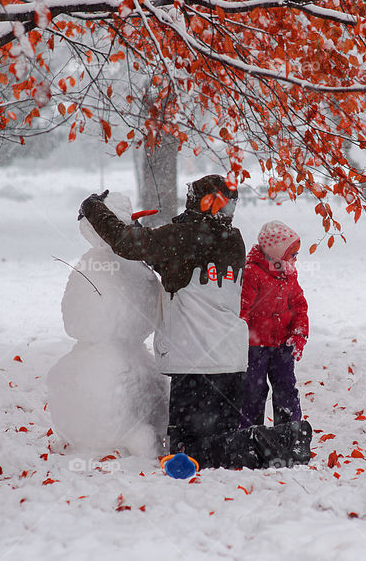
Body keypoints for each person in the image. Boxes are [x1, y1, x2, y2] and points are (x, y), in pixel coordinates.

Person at [79, 175, 252, 469]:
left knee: (189, 456)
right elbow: (174, 262)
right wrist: (147, 235)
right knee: (224, 450)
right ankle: (270, 447)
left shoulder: (186, 235)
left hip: (196, 362)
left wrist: (94, 208)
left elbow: (127, 244)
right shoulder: (233, 239)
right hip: (231, 361)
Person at [239, 221, 309, 430]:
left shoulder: (288, 273)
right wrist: (239, 340)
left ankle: (289, 432)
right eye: (292, 254)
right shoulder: (252, 273)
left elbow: (299, 306)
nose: (296, 259)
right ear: (276, 253)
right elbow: (243, 310)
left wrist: (299, 334)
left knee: (286, 388)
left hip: (282, 345)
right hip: (255, 347)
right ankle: (249, 433)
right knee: (253, 390)